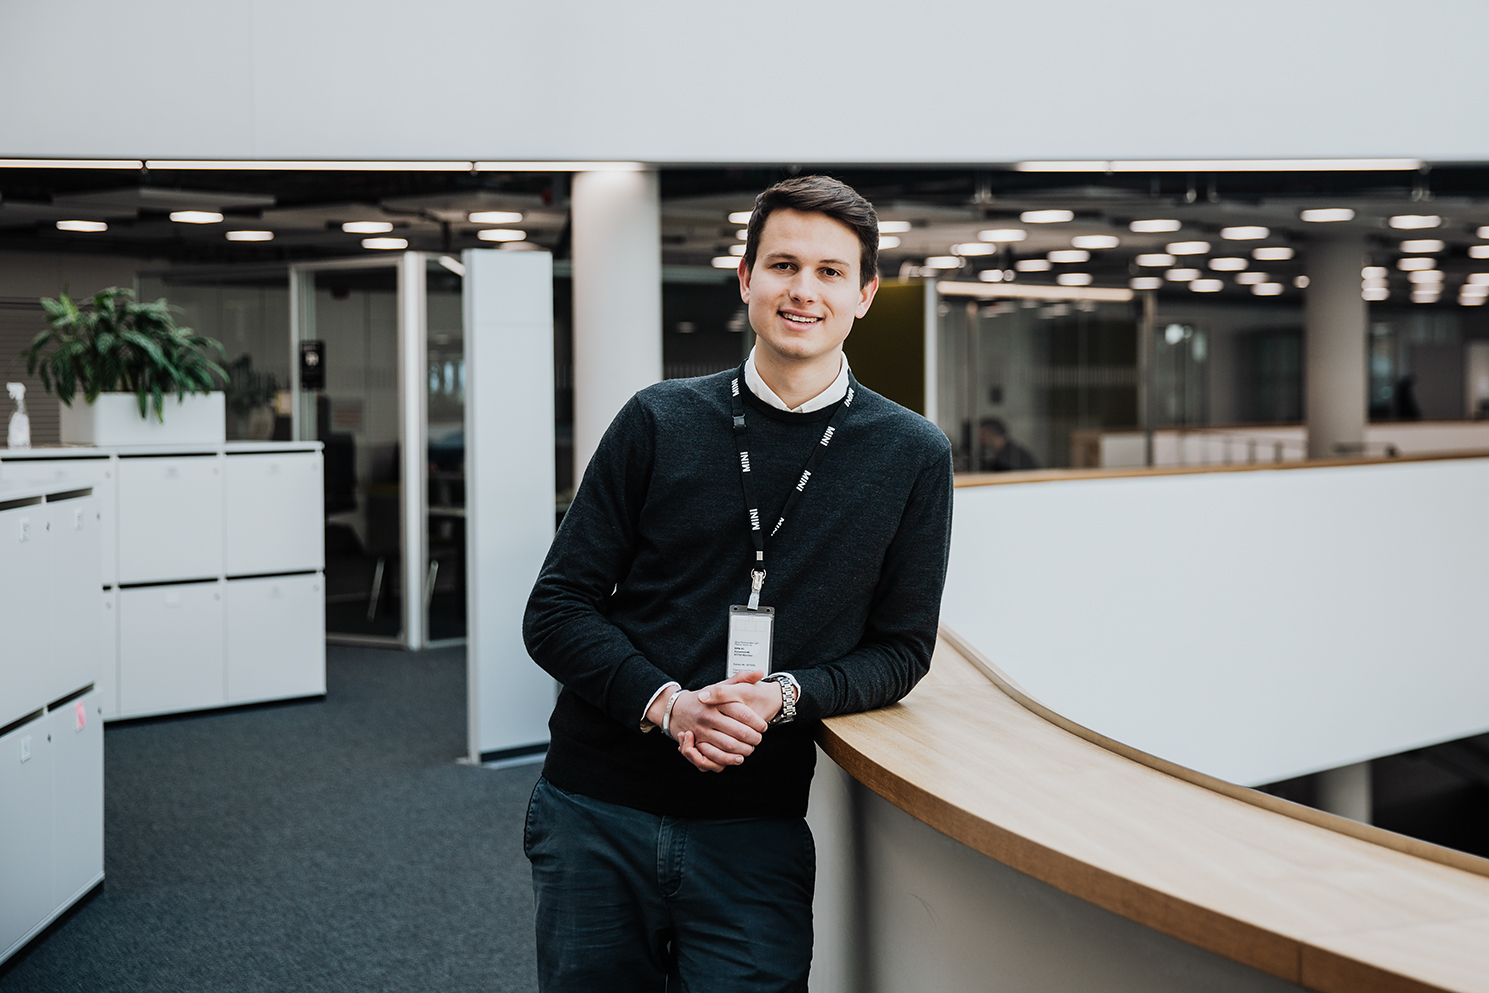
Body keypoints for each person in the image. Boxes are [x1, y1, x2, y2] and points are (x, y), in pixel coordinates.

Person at [522, 175, 954, 992]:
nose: (803, 290)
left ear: (864, 294)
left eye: (830, 272)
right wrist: (668, 704)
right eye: (783, 264)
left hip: (754, 825)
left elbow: (901, 650)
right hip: (594, 808)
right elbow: (555, 610)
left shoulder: (911, 453)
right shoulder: (657, 419)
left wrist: (781, 695)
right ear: (745, 276)